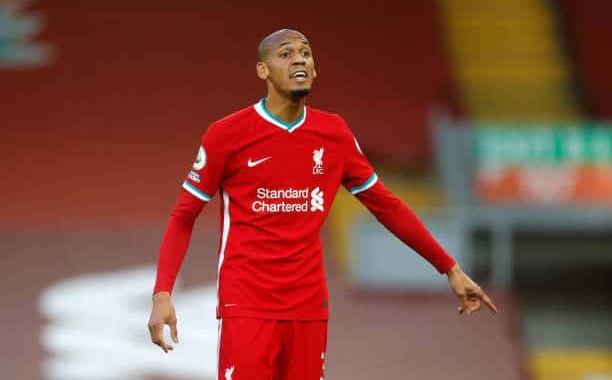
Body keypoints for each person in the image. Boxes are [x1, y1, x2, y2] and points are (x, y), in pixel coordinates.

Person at [148, 28, 498, 380]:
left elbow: (386, 206)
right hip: (247, 306)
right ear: (262, 70)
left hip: (308, 307)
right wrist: (162, 292)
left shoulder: (334, 134)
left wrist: (449, 268)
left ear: (314, 70)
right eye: (285, 53)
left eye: (306, 53)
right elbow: (183, 216)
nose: (299, 58)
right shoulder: (226, 135)